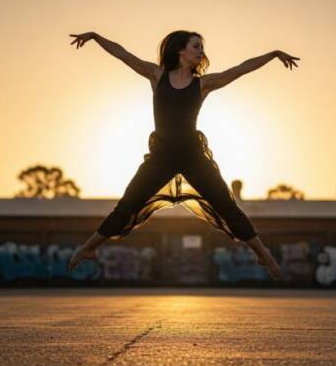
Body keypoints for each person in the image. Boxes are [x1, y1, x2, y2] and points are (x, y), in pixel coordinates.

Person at [67, 30, 299, 280]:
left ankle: (263, 254)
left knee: (227, 205)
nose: (201, 51)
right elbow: (123, 54)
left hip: (192, 156)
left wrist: (273, 54)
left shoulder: (203, 84)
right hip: (161, 157)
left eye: (202, 47)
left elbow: (241, 68)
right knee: (127, 204)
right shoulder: (157, 76)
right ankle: (88, 248)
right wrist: (95, 37)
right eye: (196, 46)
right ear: (181, 50)